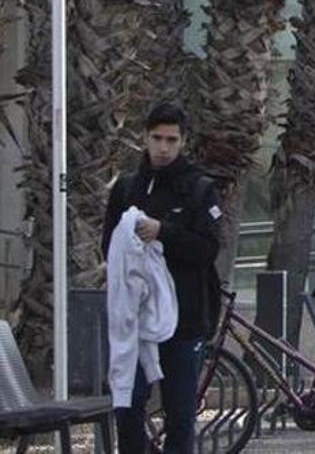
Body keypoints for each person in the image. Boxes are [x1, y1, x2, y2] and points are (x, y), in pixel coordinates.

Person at [103, 102, 222, 454]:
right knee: (128, 405)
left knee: (181, 413)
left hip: (184, 319)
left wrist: (163, 233)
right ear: (144, 138)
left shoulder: (200, 190)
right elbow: (109, 247)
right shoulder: (126, 189)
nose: (163, 148)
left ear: (183, 141)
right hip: (134, 322)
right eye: (157, 138)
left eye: (171, 139)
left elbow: (206, 249)